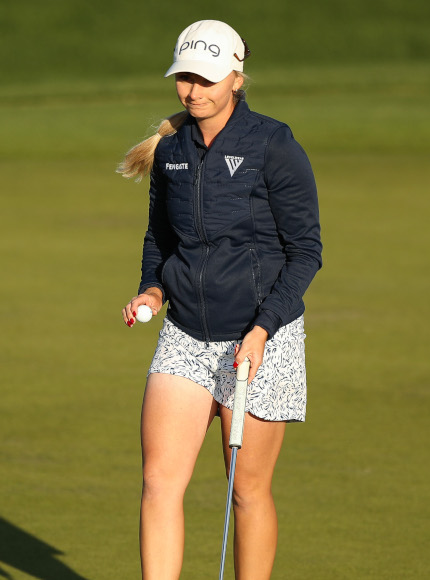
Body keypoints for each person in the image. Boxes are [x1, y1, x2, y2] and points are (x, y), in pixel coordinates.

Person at [117, 20, 322, 579]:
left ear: (236, 77)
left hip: (260, 339)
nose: (193, 90)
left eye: (206, 79)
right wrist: (152, 289)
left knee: (247, 490)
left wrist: (263, 329)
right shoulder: (171, 149)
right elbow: (160, 237)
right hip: (186, 334)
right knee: (159, 483)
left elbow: (306, 251)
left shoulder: (273, 144)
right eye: (185, 77)